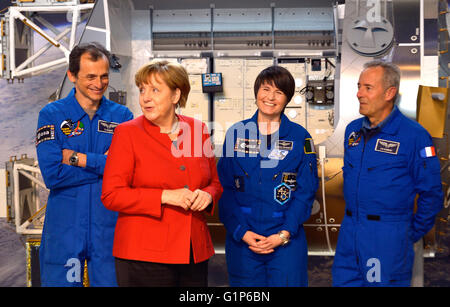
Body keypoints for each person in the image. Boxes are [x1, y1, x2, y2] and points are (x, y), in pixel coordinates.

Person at [101, 60, 223, 287]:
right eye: (142, 90)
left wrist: (207, 196)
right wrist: (165, 196)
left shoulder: (198, 130)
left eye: (155, 90)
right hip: (143, 257)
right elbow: (111, 195)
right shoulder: (126, 133)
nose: (145, 97)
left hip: (192, 253)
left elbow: (214, 183)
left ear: (176, 95)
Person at [332, 60, 443, 287]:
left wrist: (407, 233)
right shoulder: (353, 131)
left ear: (390, 93)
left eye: (368, 88)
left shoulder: (414, 136)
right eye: (359, 86)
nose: (359, 94)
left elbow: (431, 194)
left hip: (387, 236)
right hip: (350, 231)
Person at [36, 42, 134, 286]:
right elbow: (53, 174)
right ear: (72, 76)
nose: (99, 84)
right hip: (65, 229)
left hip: (110, 228)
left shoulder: (123, 118)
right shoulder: (51, 115)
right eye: (90, 76)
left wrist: (78, 159)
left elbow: (129, 172)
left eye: (103, 76)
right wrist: (107, 165)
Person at [217, 65, 319, 286]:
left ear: (287, 99)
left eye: (279, 92)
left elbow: (305, 193)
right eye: (266, 89)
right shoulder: (236, 134)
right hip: (243, 239)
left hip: (285, 241)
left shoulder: (301, 138)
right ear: (256, 92)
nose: (270, 97)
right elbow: (224, 188)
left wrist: (283, 235)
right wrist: (241, 232)